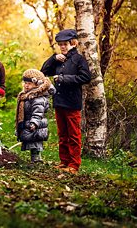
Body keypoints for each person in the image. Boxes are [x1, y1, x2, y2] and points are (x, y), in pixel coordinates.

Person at [40, 29, 92, 174]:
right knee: (62, 135)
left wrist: (63, 79)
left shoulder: (79, 59)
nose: (62, 47)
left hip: (72, 103)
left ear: (73, 43)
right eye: (60, 44)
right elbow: (43, 71)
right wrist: (53, 58)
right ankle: (64, 162)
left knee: (74, 135)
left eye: (65, 44)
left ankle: (74, 165)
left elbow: (86, 78)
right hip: (59, 101)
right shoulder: (59, 59)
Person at [15, 69, 54, 163]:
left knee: (35, 142)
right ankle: (35, 159)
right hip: (28, 122)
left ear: (37, 84)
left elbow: (38, 112)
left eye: (29, 83)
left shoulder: (38, 98)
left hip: (36, 124)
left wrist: (34, 123)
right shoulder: (26, 95)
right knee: (31, 141)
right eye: (25, 83)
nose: (26, 85)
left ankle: (36, 159)